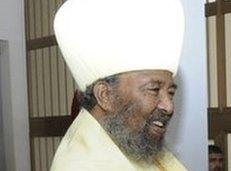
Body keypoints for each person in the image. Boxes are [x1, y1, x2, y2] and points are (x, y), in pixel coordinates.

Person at [50, 0, 186, 170]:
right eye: (154, 90)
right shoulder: (83, 165)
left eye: (171, 93)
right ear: (105, 96)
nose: (169, 106)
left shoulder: (131, 144)